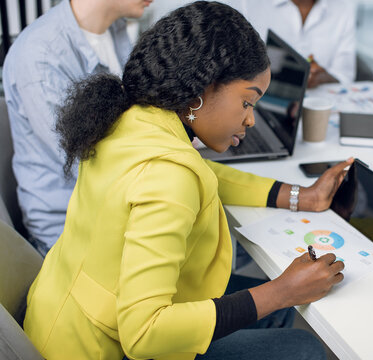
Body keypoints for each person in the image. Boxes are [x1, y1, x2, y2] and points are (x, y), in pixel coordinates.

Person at [23, 2, 351, 359]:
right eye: (246, 102)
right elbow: (145, 332)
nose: (251, 120)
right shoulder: (168, 176)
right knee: (302, 347)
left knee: (277, 311)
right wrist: (281, 291)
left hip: (61, 317)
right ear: (201, 90)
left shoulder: (132, 117)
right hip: (98, 349)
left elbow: (200, 171)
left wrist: (300, 196)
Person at [2, 0, 152, 255]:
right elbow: (84, 160)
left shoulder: (113, 29)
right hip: (70, 234)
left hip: (118, 206)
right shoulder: (41, 55)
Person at [219, 0, 357, 88]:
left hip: (318, 107)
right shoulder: (245, 3)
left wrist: (323, 77)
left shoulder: (343, 8)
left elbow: (345, 77)